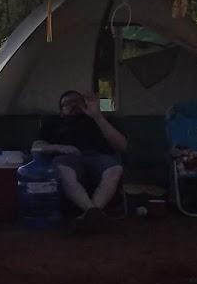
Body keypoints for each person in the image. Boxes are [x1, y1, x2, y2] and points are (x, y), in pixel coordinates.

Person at [31, 89, 128, 225]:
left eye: (78, 101)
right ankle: (94, 212)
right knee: (62, 169)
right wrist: (60, 147)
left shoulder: (101, 119)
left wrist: (97, 116)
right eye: (67, 103)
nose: (73, 105)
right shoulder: (54, 123)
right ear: (61, 111)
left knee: (115, 169)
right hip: (69, 159)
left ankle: (90, 214)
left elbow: (122, 146)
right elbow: (36, 147)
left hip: (100, 157)